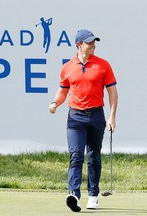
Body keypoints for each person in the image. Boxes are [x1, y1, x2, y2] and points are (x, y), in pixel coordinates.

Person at [48, 29, 118, 212]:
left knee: (94, 156)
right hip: (75, 117)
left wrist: (112, 116)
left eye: (94, 42)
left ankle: (93, 195)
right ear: (79, 44)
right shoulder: (68, 67)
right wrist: (55, 103)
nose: (93, 45)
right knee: (76, 155)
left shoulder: (103, 65)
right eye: (89, 42)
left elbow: (112, 91)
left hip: (96, 116)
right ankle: (74, 195)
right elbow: (63, 91)